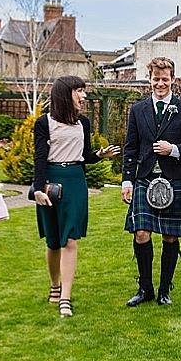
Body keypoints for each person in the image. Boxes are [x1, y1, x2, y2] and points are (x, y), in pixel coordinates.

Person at [28, 75, 120, 318]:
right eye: (79, 90)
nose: (84, 95)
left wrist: (100, 155)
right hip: (52, 182)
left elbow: (85, 155)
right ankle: (55, 286)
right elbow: (40, 158)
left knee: (70, 239)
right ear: (64, 93)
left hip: (76, 182)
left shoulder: (84, 123)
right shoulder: (44, 123)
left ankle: (65, 298)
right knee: (53, 240)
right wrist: (38, 189)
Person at [119, 57, 181, 307]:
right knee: (141, 232)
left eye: (165, 79)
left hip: (173, 178)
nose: (160, 83)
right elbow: (130, 147)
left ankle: (165, 290)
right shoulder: (138, 110)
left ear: (173, 80)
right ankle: (145, 288)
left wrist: (174, 149)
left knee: (169, 236)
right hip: (145, 178)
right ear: (150, 79)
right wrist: (126, 181)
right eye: (156, 79)